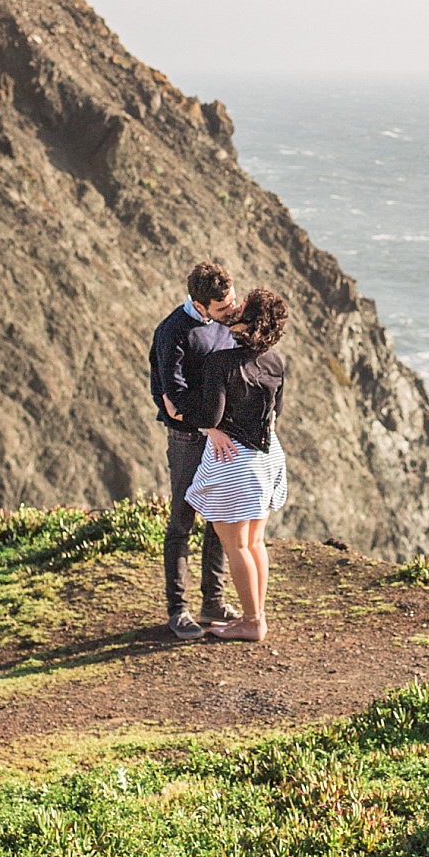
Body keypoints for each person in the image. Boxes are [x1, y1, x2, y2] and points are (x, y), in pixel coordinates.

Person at [184, 287, 288, 643]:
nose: (234, 309)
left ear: (251, 320)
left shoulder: (220, 364)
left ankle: (251, 622)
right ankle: (256, 617)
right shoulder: (275, 361)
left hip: (235, 461)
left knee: (237, 546)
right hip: (267, 456)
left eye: (242, 306)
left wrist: (184, 411)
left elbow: (210, 413)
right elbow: (277, 412)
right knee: (255, 543)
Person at [149, 259, 241, 637]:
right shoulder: (172, 332)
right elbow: (173, 400)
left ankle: (213, 603)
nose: (232, 312)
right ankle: (177, 610)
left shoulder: (225, 323)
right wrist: (209, 427)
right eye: (223, 308)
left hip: (219, 436)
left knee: (218, 523)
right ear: (199, 304)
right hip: (189, 440)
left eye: (233, 302)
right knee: (181, 524)